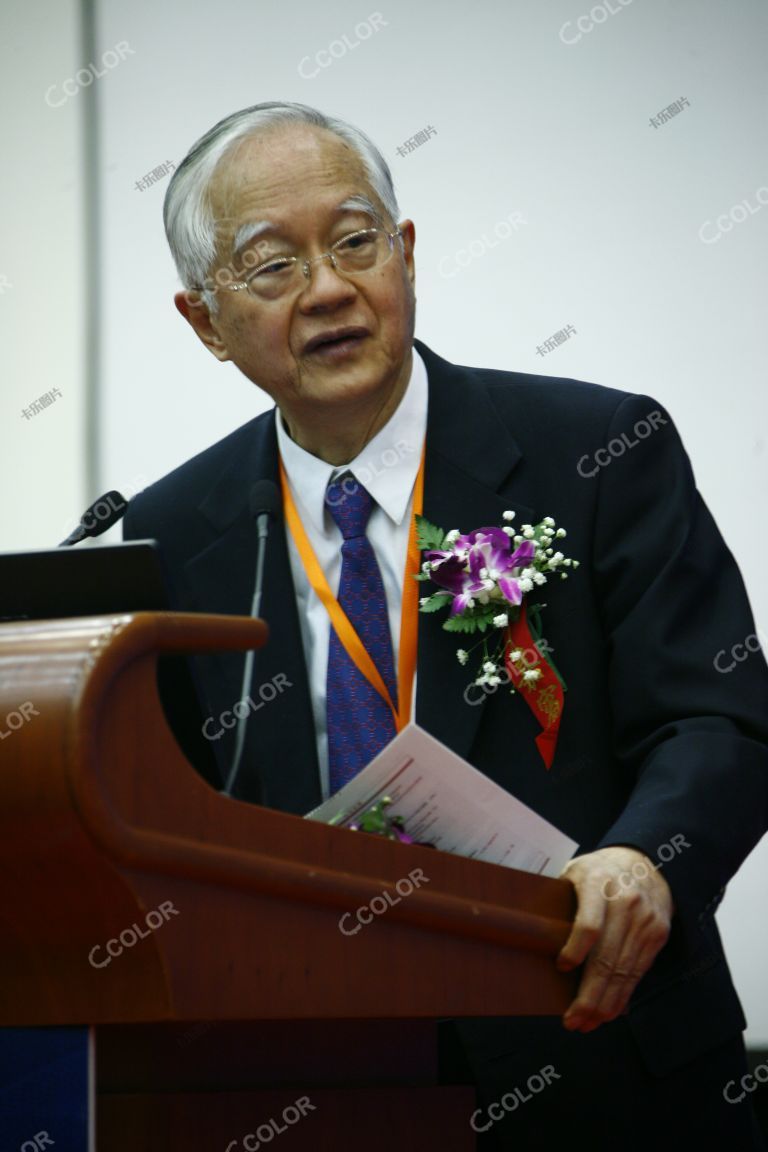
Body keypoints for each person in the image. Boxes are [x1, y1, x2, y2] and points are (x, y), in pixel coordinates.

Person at [122, 101, 768, 1149]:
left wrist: (648, 859)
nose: (329, 287)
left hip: (605, 1061)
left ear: (407, 254)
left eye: (355, 240)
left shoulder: (597, 452)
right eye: (272, 264)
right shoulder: (164, 535)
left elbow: (719, 720)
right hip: (312, 1086)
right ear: (204, 320)